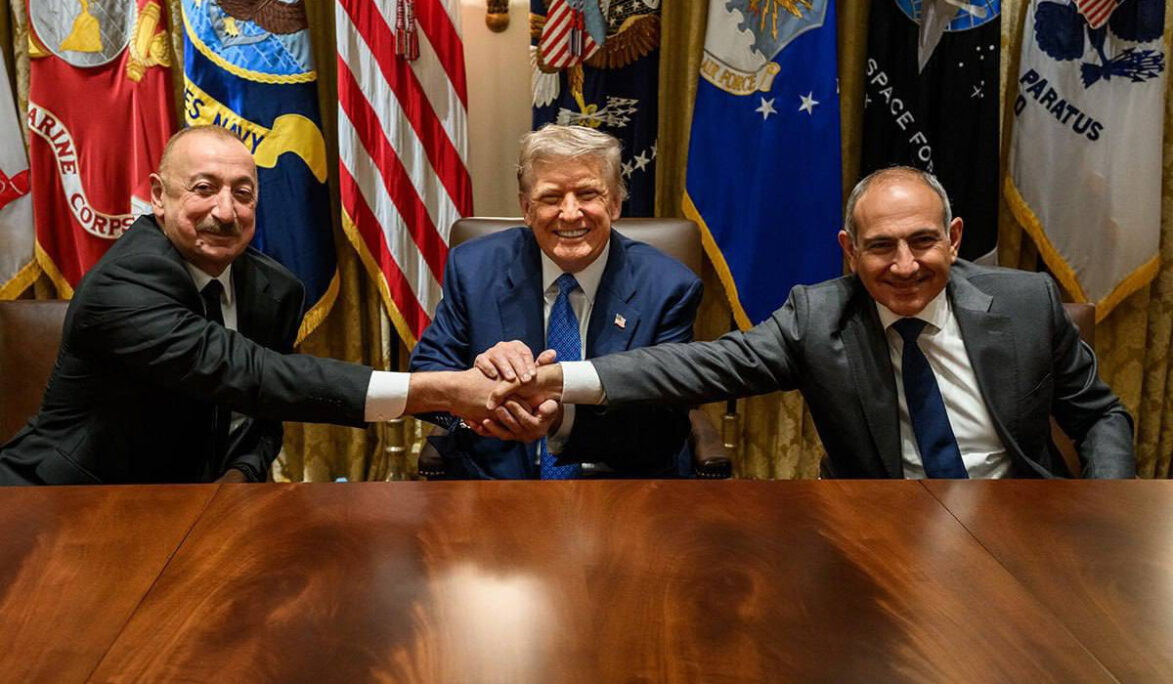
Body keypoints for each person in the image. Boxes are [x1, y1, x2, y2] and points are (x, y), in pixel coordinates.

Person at [492, 167, 1137, 479]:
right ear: (849, 251)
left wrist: (1105, 506)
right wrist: (559, 380)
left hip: (1020, 520)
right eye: (881, 247)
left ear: (955, 238)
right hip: (880, 531)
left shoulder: (1026, 302)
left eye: (923, 241)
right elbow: (697, 365)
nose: (905, 265)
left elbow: (1100, 415)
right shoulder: (819, 316)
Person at [0, 126, 500, 485]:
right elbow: (254, 374)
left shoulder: (273, 289)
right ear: (158, 196)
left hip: (194, 508)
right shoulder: (125, 282)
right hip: (65, 500)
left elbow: (263, 412)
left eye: (243, 193)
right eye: (204, 189)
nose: (226, 211)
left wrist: (241, 477)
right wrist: (441, 392)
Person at [410, 124, 702, 479]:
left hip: (621, 483)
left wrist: (563, 418)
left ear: (614, 203)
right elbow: (425, 376)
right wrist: (484, 391)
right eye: (551, 198)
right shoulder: (473, 268)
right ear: (526, 207)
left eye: (588, 194)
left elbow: (666, 422)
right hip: (495, 482)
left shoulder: (669, 287)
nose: (570, 213)